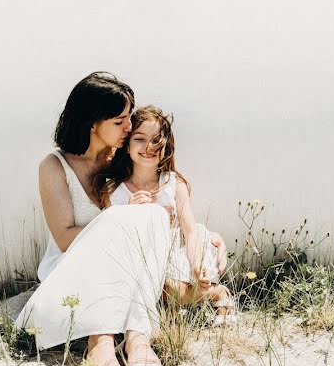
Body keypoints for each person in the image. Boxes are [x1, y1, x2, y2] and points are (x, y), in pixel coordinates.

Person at [16, 72, 226, 366]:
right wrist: (125, 221)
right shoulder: (54, 166)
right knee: (133, 222)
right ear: (92, 122)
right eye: (120, 121)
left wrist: (202, 235)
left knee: (147, 218)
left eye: (129, 119)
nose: (129, 128)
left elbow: (164, 199)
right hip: (76, 267)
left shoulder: (121, 161)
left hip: (125, 267)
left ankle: (138, 341)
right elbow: (64, 238)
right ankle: (99, 344)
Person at [98, 106, 235, 325]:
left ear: (166, 145)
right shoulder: (114, 191)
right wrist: (129, 213)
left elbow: (190, 232)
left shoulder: (173, 185)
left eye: (156, 140)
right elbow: (111, 234)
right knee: (145, 290)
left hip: (174, 252)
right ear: (127, 145)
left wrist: (197, 265)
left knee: (169, 289)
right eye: (140, 139)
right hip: (137, 257)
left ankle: (217, 293)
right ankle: (179, 307)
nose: (148, 147)